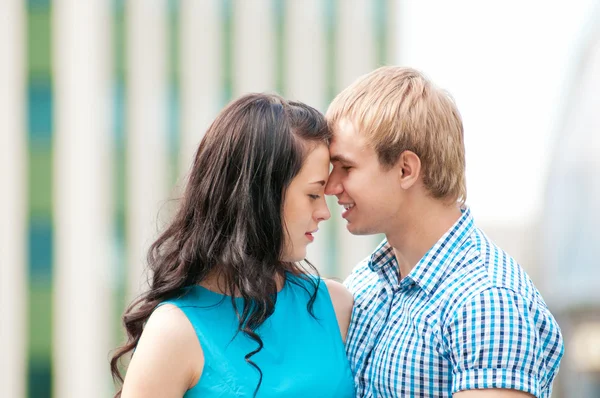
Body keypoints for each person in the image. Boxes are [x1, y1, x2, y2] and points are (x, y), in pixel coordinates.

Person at [325, 66, 564, 397]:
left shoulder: (486, 302)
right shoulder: (366, 285)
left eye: (346, 168)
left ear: (406, 169)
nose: (330, 186)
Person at [110, 93, 355, 398]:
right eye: (313, 194)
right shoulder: (174, 332)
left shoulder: (337, 306)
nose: (324, 213)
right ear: (258, 197)